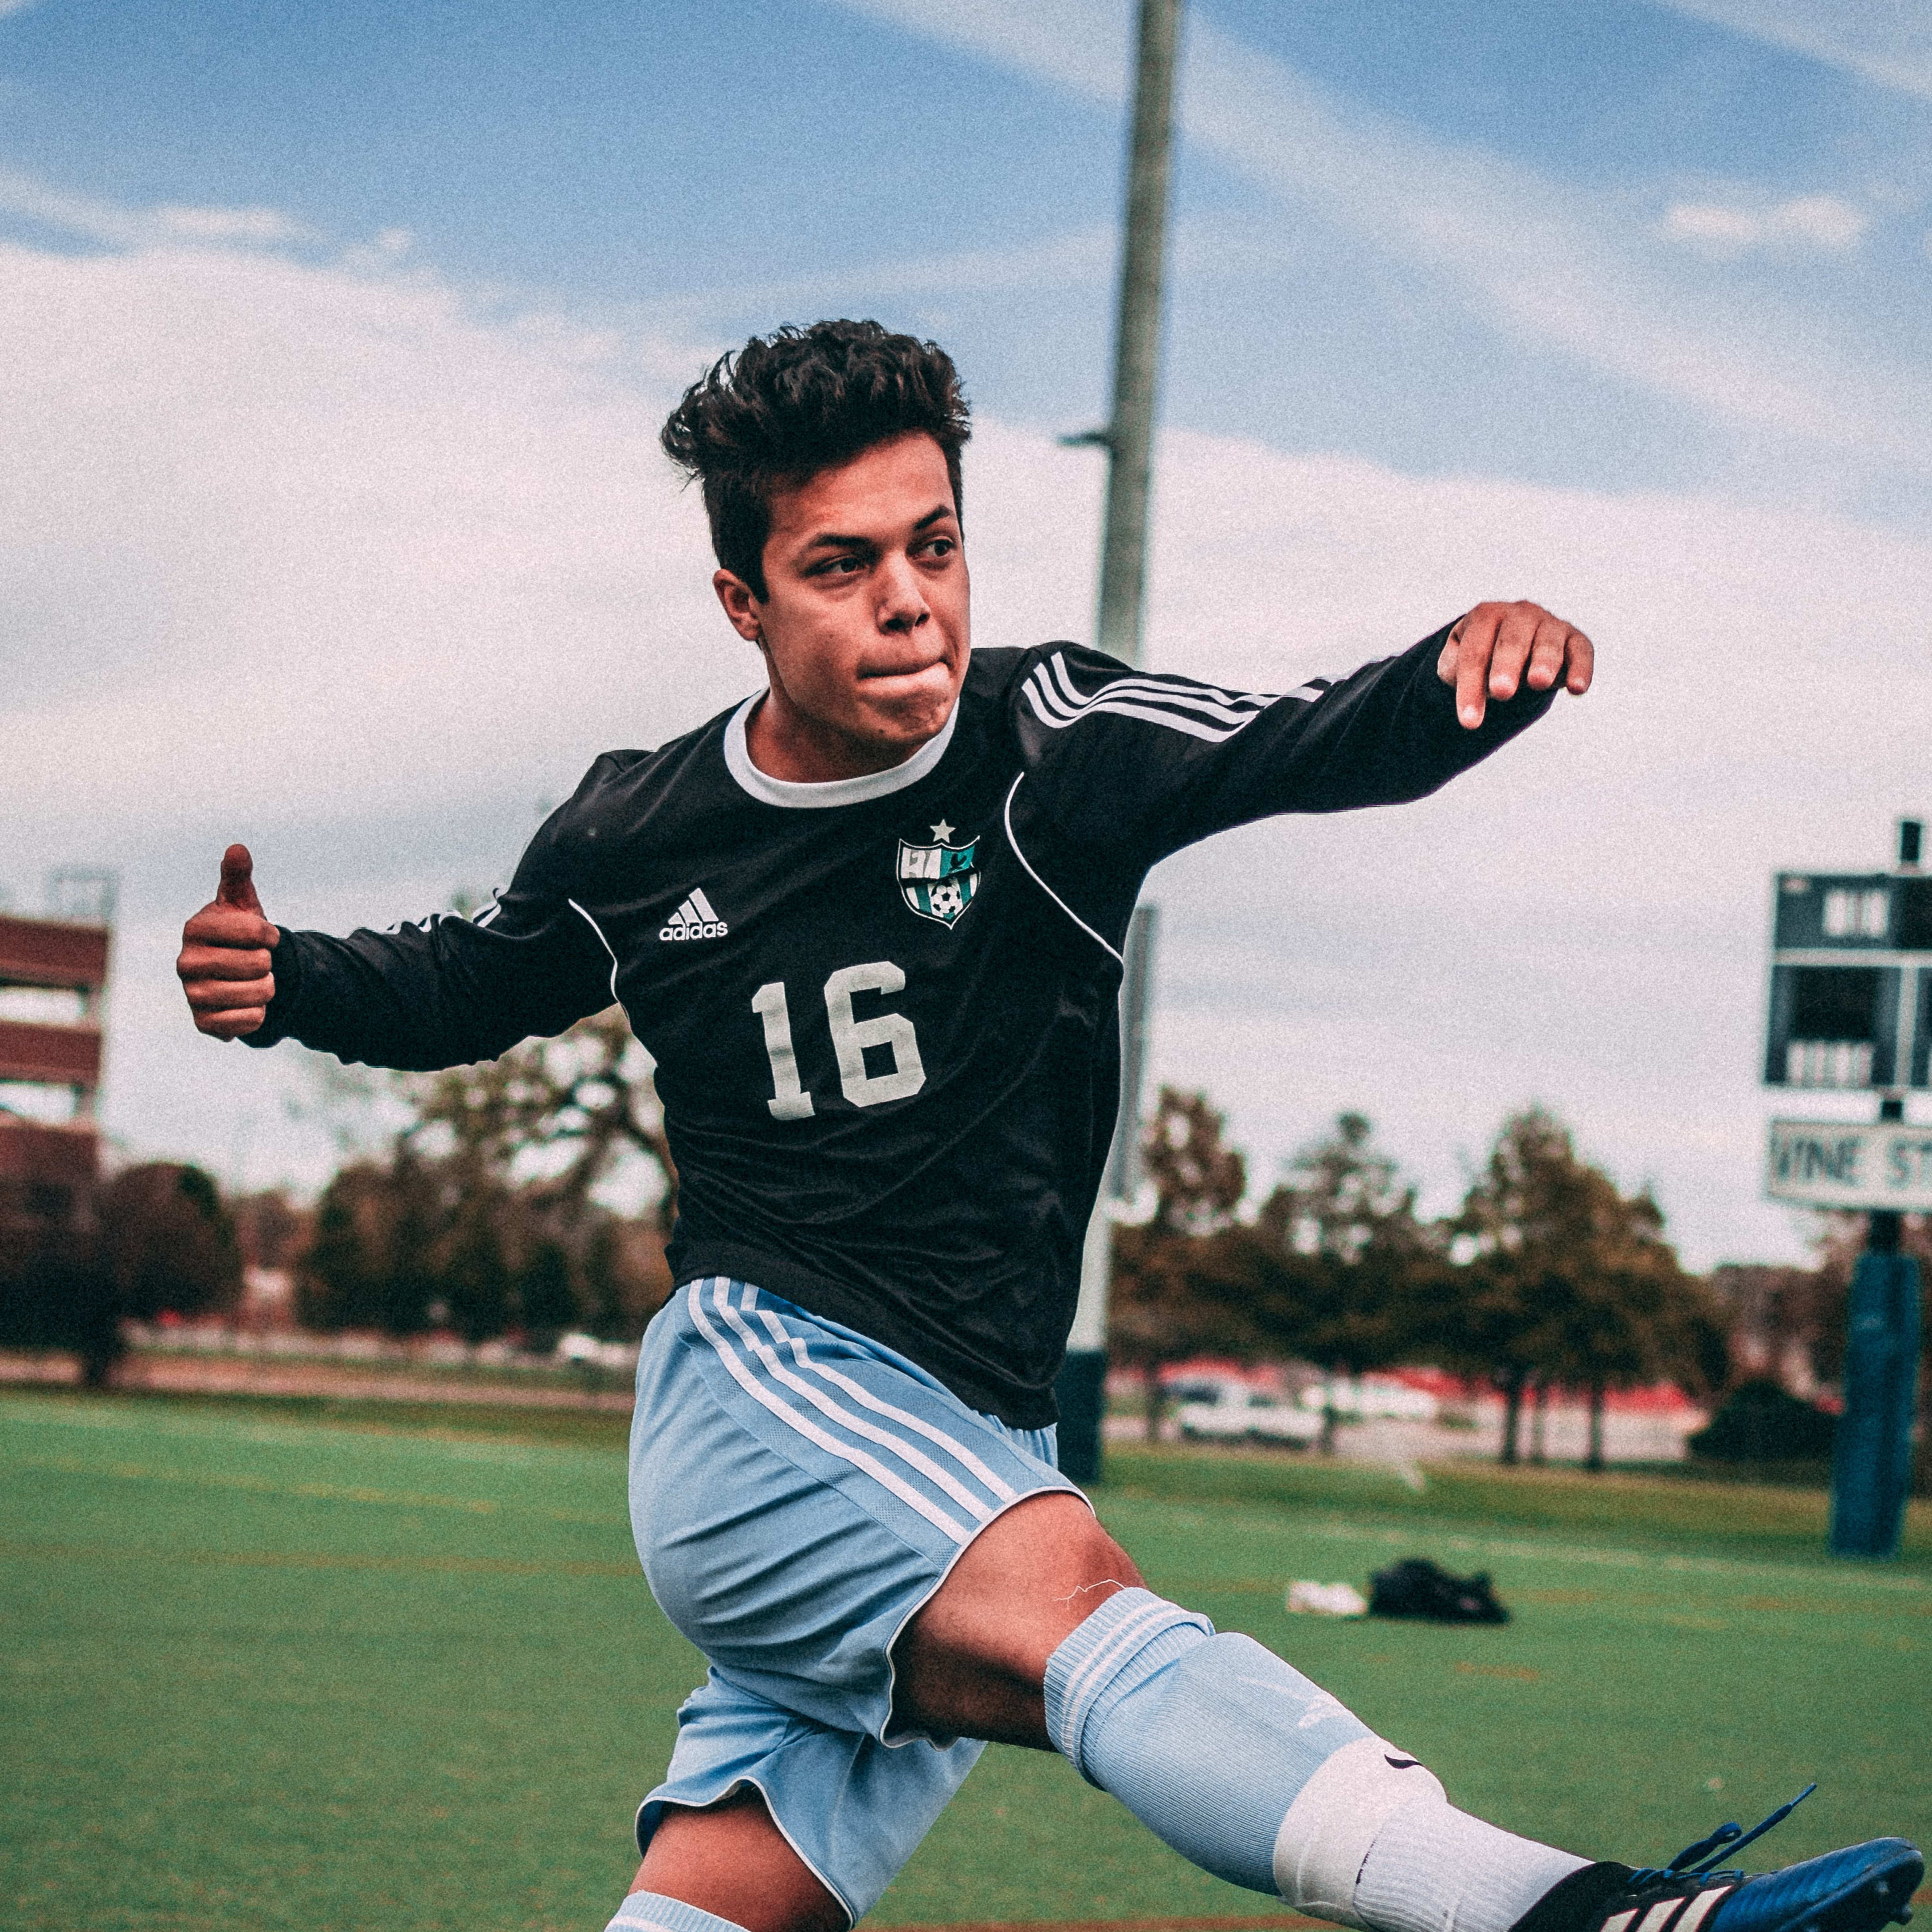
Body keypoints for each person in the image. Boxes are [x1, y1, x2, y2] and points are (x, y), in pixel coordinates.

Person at [177, 320, 1921, 1932]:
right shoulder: (641, 825)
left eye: (933, 545)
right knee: (1087, 1600)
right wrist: (292, 975)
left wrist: (1457, 677)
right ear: (741, 600)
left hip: (964, 1438)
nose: (909, 604)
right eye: (840, 566)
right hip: (768, 1396)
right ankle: (1589, 1914)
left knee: (725, 1899)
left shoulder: (1044, 740)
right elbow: (474, 979)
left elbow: (1288, 742)